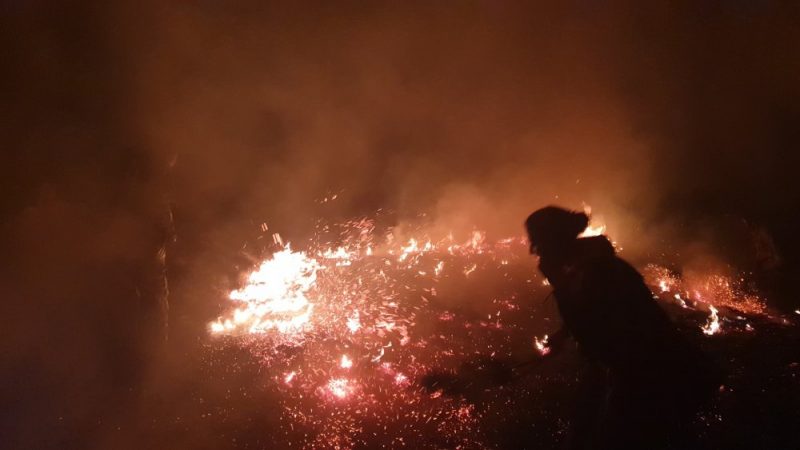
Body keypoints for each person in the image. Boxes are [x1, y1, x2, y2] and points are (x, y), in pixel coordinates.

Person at [525, 206, 721, 450]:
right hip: (618, 362)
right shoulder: (573, 267)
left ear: (556, 241)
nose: (536, 252)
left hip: (647, 365)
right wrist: (564, 335)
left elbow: (624, 328)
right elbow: (585, 313)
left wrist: (613, 378)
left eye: (539, 244)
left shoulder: (598, 272)